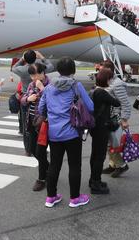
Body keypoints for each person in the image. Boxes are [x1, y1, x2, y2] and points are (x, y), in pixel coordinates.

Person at [38, 57, 94, 208]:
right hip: (73, 133)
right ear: (73, 70)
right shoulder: (76, 86)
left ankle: (51, 197)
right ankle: (75, 198)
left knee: (54, 165)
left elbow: (41, 109)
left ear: (58, 70)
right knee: (74, 165)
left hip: (54, 133)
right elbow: (90, 106)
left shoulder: (49, 87)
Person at [12, 50, 55, 150]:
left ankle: (28, 149)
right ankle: (40, 147)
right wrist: (41, 57)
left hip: (27, 97)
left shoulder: (22, 69)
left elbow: (13, 68)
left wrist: (22, 59)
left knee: (26, 125)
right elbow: (51, 66)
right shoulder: (40, 68)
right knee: (41, 125)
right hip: (39, 98)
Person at [20, 62, 51, 192]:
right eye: (32, 75)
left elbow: (53, 100)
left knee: (40, 151)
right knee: (32, 149)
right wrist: (28, 99)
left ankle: (41, 179)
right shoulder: (32, 84)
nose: (34, 78)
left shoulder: (50, 84)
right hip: (31, 121)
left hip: (44, 123)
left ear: (43, 72)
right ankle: (48, 167)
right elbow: (22, 99)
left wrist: (42, 89)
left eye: (36, 74)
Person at [89, 68, 120, 194]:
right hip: (102, 128)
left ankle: (93, 180)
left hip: (94, 127)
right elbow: (117, 103)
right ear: (106, 79)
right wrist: (113, 90)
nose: (111, 80)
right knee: (99, 156)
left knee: (94, 154)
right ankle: (96, 184)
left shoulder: (93, 91)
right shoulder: (102, 93)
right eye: (110, 78)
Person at [100, 60, 132, 178]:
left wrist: (124, 119)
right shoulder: (109, 81)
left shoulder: (117, 84)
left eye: (102, 70)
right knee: (110, 142)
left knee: (113, 144)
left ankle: (122, 165)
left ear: (109, 71)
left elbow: (125, 103)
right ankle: (113, 165)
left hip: (115, 118)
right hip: (108, 117)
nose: (99, 72)